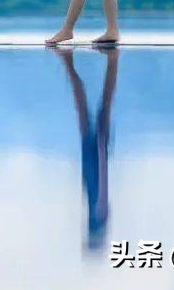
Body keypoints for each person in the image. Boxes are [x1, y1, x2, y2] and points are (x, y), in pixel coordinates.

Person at [55, 46, 120, 252]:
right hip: (95, 154)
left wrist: (100, 148)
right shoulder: (99, 213)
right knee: (101, 103)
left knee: (89, 105)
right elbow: (102, 182)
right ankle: (108, 62)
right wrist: (101, 146)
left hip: (92, 155)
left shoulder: (97, 214)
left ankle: (70, 64)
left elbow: (97, 184)